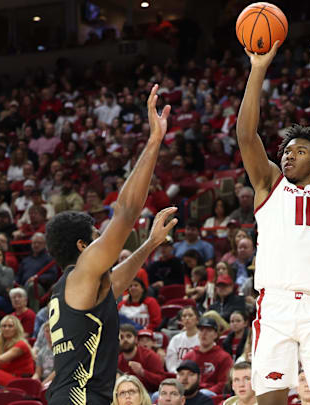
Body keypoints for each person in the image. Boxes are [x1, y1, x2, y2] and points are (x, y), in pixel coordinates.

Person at [237, 29, 310, 405]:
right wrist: (258, 68)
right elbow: (246, 134)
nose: (288, 155)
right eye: (286, 150)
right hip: (275, 306)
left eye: (299, 151)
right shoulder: (269, 184)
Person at [46, 84, 178, 405]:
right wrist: (154, 141)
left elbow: (117, 282)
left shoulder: (73, 287)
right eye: (96, 236)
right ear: (82, 246)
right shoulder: (83, 272)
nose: (102, 240)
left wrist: (147, 245)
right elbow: (126, 212)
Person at [183, 317, 233, 394]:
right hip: (190, 393)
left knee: (205, 393)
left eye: (209, 330)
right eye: (201, 330)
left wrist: (201, 394)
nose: (204, 333)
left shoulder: (224, 357)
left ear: (216, 335)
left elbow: (224, 384)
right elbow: (182, 380)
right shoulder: (189, 356)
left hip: (211, 396)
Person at [118, 324, 166, 393]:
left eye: (128, 336)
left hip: (148, 394)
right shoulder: (116, 360)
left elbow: (162, 381)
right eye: (121, 337)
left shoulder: (150, 356)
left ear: (136, 339)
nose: (125, 340)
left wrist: (143, 372)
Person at [166, 306, 201, 373]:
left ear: (197, 319)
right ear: (181, 321)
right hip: (178, 375)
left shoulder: (203, 338)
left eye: (190, 315)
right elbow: (170, 363)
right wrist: (178, 374)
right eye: (184, 316)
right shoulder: (175, 339)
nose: (187, 318)